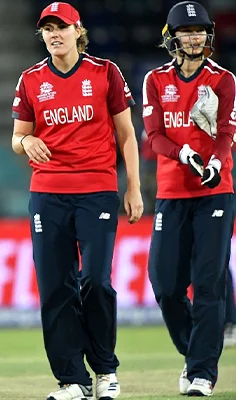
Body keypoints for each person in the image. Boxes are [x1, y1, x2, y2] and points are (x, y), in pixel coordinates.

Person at [11, 2, 142, 400]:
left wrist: (133, 187)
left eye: (61, 27)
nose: (54, 34)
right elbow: (17, 138)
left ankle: (104, 370)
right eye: (48, 29)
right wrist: (27, 141)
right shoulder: (31, 79)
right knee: (54, 288)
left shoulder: (104, 72)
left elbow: (127, 135)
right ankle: (71, 380)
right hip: (48, 194)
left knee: (96, 282)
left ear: (77, 30)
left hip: (97, 190)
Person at [142, 1, 236, 396]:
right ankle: (195, 353)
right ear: (172, 36)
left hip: (215, 192)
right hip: (172, 191)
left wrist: (214, 162)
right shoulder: (155, 80)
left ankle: (202, 373)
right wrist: (184, 154)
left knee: (209, 283)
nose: (195, 38)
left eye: (199, 31)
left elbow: (226, 133)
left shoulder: (223, 79)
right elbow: (155, 134)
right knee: (164, 284)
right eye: (187, 31)